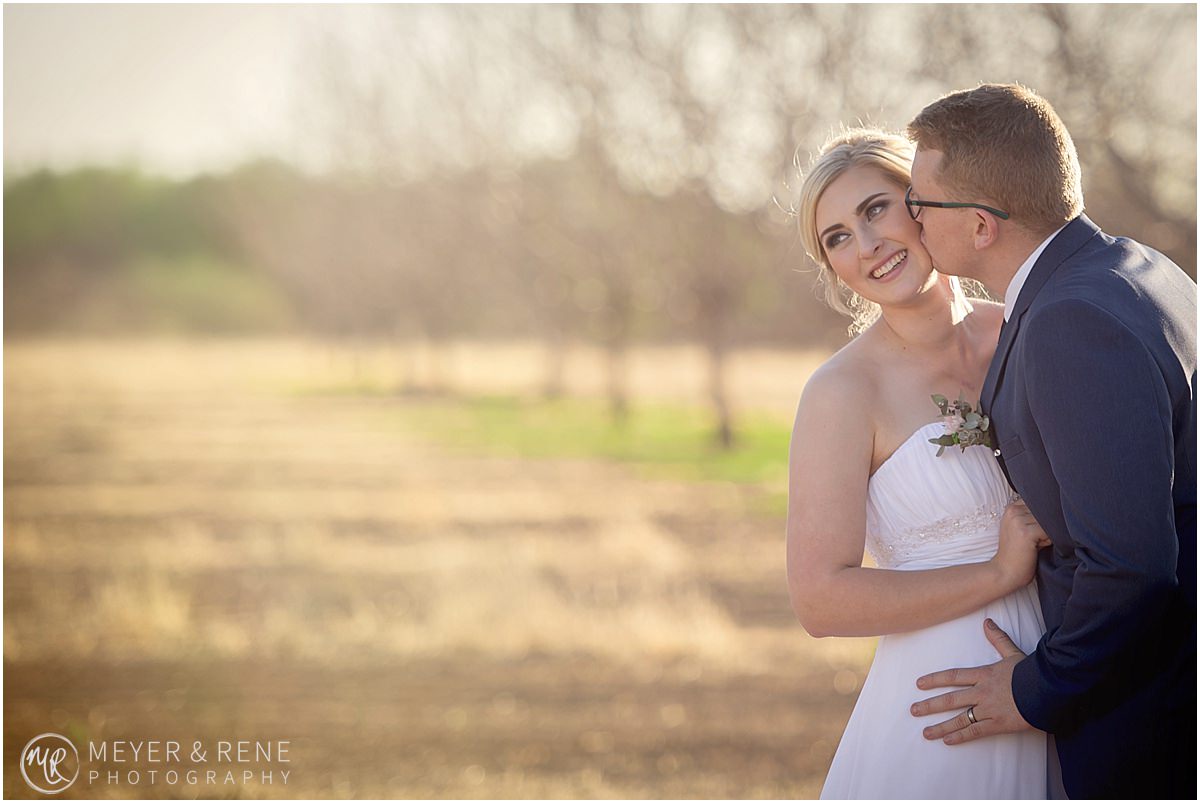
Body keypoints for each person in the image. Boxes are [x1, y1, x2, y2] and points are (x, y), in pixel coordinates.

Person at [904, 83, 1197, 800]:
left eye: (920, 203)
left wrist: (1037, 689)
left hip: (1139, 721)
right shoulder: (1141, 267)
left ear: (980, 226)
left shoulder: (1069, 322)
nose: (909, 220)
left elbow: (1130, 562)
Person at [785, 127, 1052, 799]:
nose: (867, 245)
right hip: (945, 707)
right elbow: (820, 598)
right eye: (837, 237)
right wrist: (997, 571)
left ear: (923, 201)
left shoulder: (1019, 329)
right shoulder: (842, 393)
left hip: (1062, 680)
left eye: (875, 209)